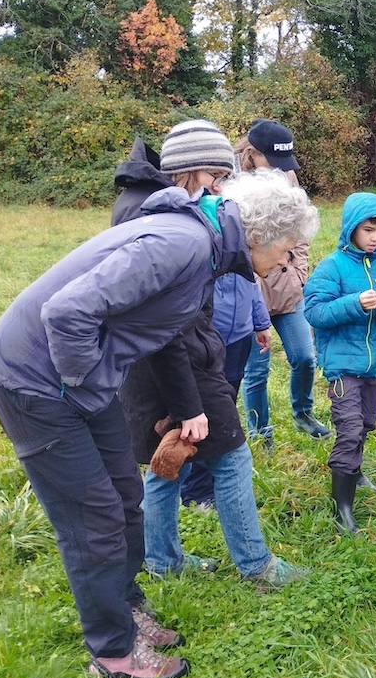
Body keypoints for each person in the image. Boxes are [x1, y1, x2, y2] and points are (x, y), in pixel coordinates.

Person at [0, 160, 318, 678]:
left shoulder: (206, 250)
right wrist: (85, 386)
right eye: (286, 250)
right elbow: (67, 313)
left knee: (125, 498)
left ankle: (128, 611)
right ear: (260, 234)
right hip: (35, 382)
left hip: (79, 380)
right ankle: (113, 651)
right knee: (92, 520)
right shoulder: (181, 244)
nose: (283, 262)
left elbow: (159, 331)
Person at [114, 125, 271, 512]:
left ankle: (164, 544)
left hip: (186, 353)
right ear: (187, 169)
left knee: (170, 459)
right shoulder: (146, 211)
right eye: (214, 175)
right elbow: (161, 319)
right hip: (166, 362)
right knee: (198, 459)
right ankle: (198, 512)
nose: (218, 186)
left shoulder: (172, 205)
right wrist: (187, 402)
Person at [303, 192, 376, 533]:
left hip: (373, 364)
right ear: (351, 228)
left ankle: (356, 472)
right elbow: (315, 312)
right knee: (349, 429)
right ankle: (343, 509)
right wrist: (354, 303)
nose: (375, 237)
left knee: (364, 424)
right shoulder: (332, 266)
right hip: (341, 366)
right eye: (368, 230)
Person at [239, 119, 331, 447]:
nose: (282, 168)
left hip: (288, 289)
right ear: (253, 154)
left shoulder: (288, 177)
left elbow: (300, 232)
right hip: (251, 295)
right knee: (256, 371)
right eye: (273, 160)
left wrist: (299, 272)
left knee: (305, 357)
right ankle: (260, 434)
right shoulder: (232, 185)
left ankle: (303, 413)